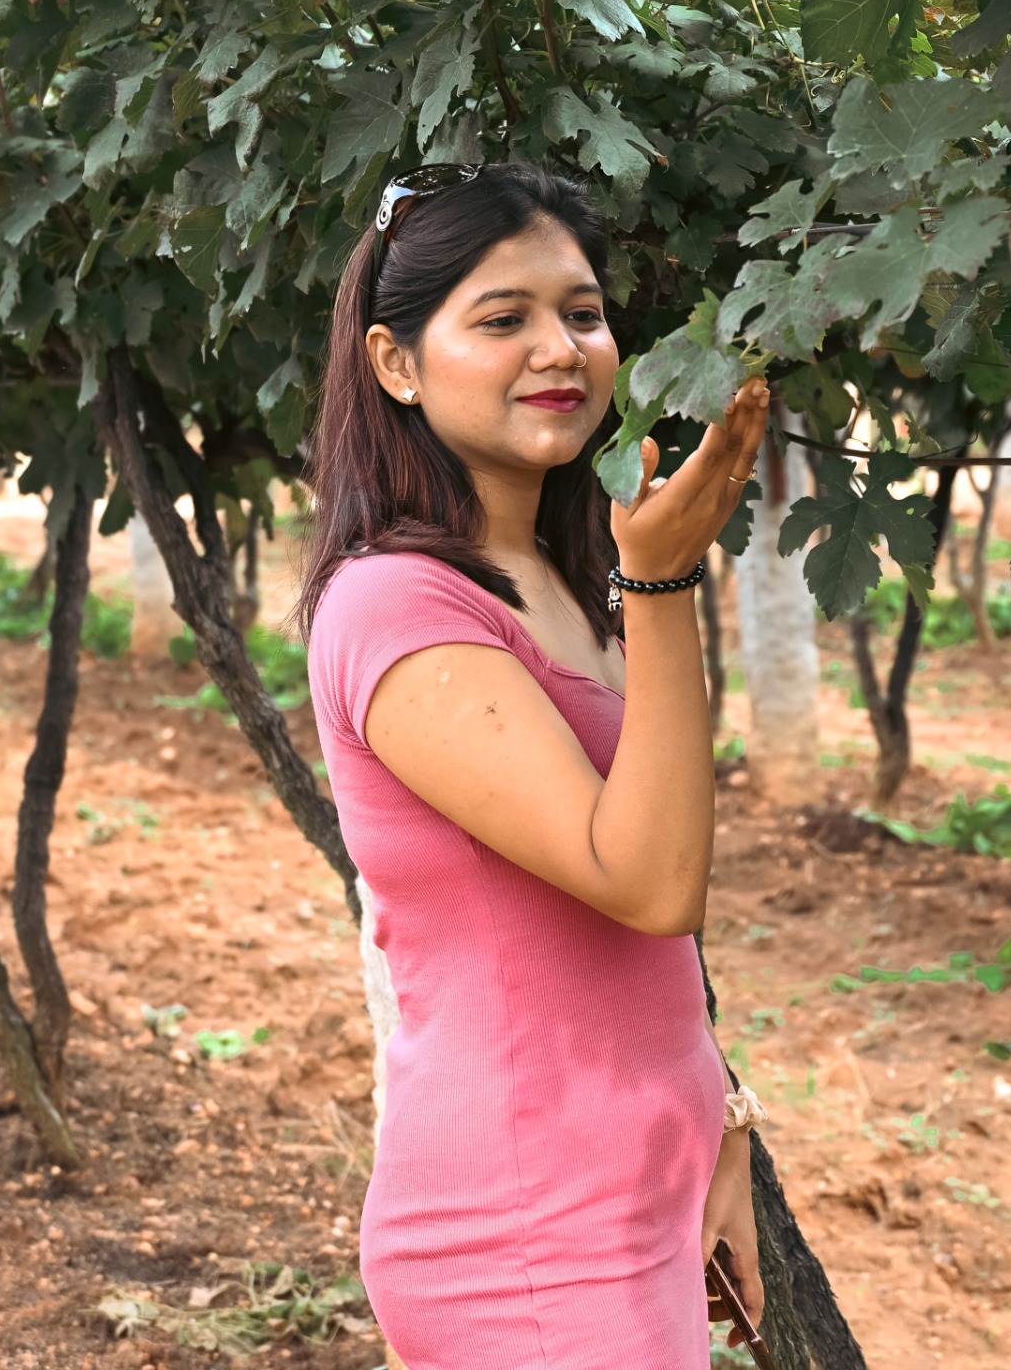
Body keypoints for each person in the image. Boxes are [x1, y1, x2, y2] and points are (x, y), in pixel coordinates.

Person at [296, 160, 770, 1370]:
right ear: (396, 363)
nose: (559, 349)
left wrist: (720, 1120)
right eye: (502, 318)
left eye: (582, 312)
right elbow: (648, 882)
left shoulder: (560, 579)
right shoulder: (399, 606)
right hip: (526, 1240)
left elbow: (626, 945)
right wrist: (663, 583)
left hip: (628, 1200)